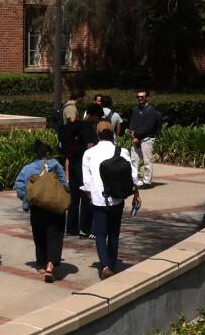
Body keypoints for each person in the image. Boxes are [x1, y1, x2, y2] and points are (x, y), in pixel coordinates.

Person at [82, 124, 143, 278]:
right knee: (114, 233)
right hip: (118, 198)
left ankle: (105, 266)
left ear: (98, 134)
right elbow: (133, 175)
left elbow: (87, 181)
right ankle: (113, 264)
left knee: (101, 234)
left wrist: (90, 194)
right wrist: (136, 193)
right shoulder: (121, 151)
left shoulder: (89, 153)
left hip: (98, 199)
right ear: (112, 134)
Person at [13, 140, 68, 282]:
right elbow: (65, 184)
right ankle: (51, 264)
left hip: (37, 208)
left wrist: (27, 200)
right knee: (54, 236)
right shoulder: (55, 165)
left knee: (39, 236)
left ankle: (41, 264)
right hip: (55, 208)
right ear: (48, 153)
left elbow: (19, 186)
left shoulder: (28, 168)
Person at [64, 104, 101, 238]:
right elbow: (90, 147)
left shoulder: (75, 126)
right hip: (83, 166)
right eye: (98, 117)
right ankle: (85, 228)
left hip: (73, 164)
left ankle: (71, 227)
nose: (98, 120)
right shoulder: (88, 129)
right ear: (93, 115)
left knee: (73, 199)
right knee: (86, 197)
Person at [128, 90, 162, 188]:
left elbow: (148, 127)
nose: (139, 98)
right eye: (138, 97)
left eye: (142, 97)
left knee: (147, 161)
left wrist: (136, 135)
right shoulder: (135, 110)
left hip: (147, 139)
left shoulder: (151, 111)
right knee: (134, 161)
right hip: (136, 139)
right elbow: (132, 124)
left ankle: (147, 182)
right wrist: (133, 135)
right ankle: (134, 180)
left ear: (147, 98)